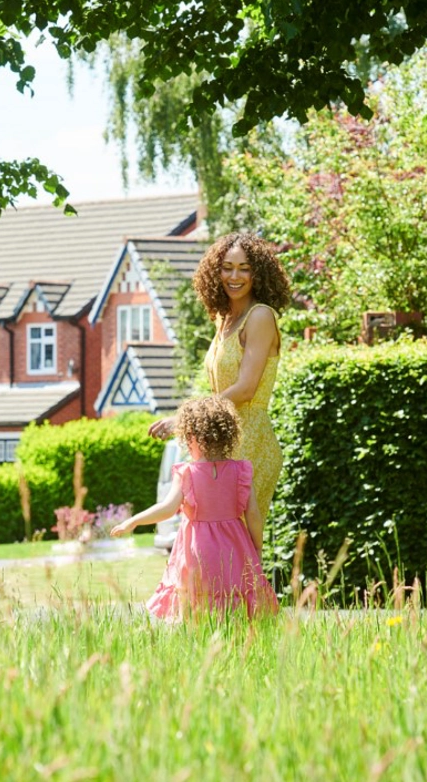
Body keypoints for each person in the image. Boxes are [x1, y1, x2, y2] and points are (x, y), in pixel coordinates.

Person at [149, 232, 291, 546]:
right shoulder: (224, 319)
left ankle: (251, 598)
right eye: (227, 267)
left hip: (250, 439)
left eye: (244, 268)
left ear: (258, 273)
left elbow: (245, 389)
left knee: (237, 544)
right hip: (221, 439)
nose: (235, 276)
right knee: (209, 539)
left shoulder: (260, 317)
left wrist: (185, 420)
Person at [114, 395, 278, 619]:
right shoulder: (241, 471)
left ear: (192, 437)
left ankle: (199, 647)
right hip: (235, 550)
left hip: (197, 551)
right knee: (234, 605)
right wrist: (257, 548)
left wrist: (133, 521)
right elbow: (253, 515)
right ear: (226, 436)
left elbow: (166, 508)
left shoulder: (187, 473)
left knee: (194, 606)